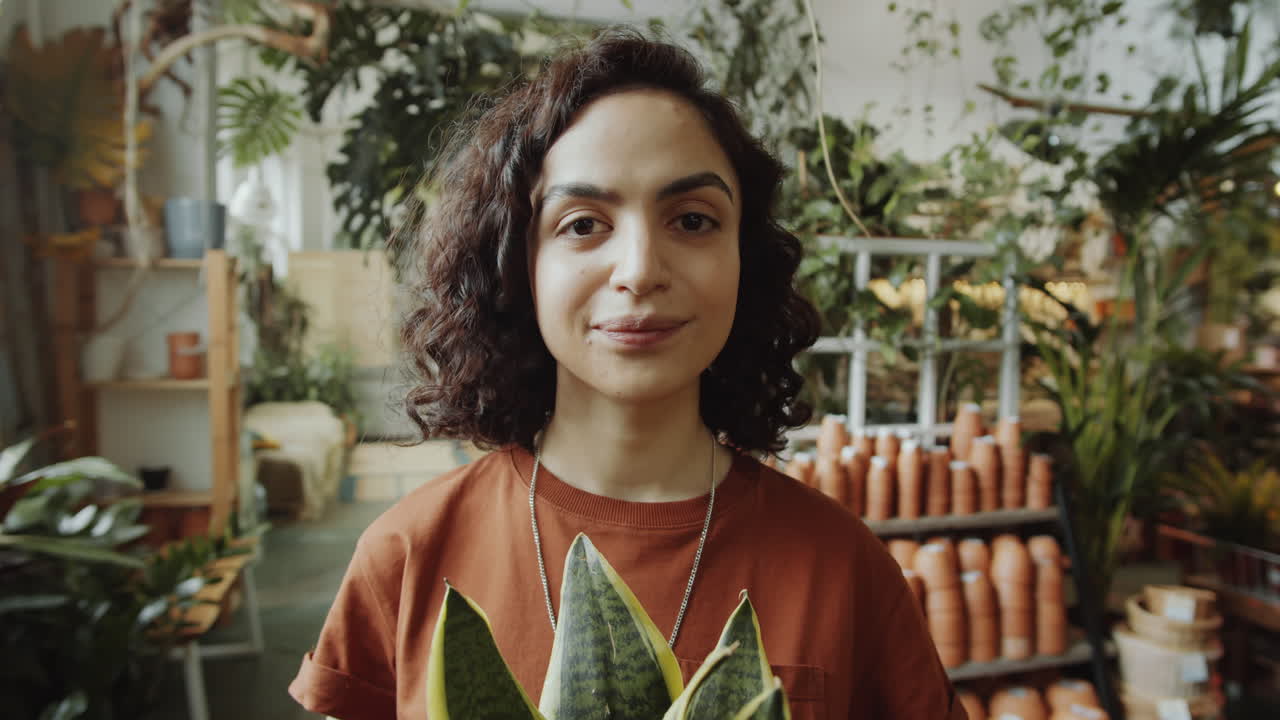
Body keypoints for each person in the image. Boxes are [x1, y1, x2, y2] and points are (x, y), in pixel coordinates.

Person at [289, 29, 966, 720]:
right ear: (518, 266)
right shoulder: (406, 555)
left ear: (745, 261)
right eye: (583, 224)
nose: (640, 269)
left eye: (694, 220)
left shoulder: (843, 569)